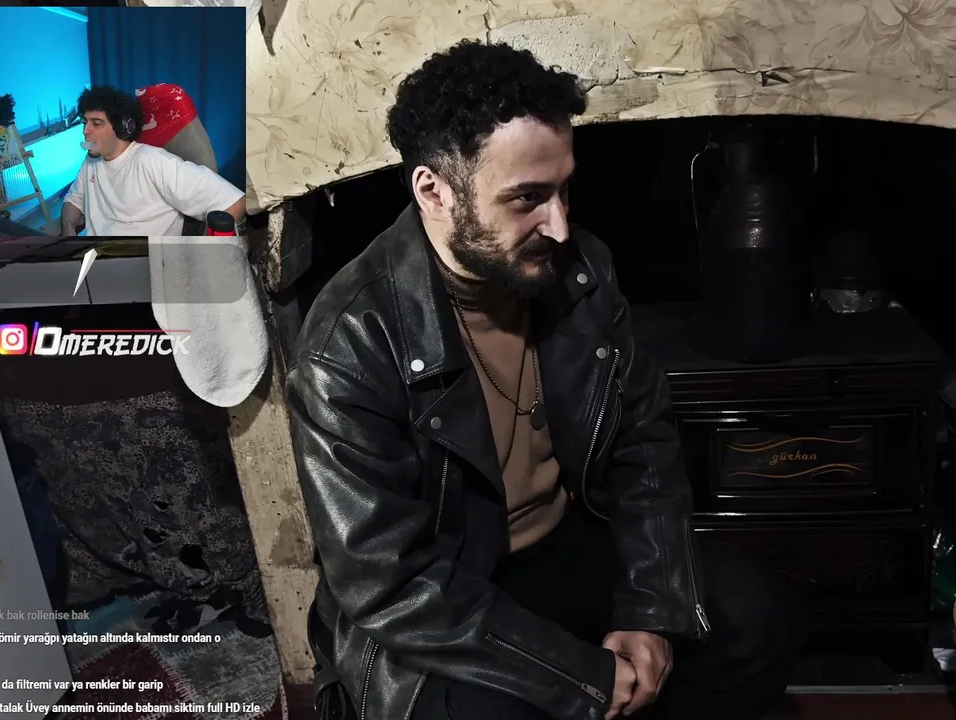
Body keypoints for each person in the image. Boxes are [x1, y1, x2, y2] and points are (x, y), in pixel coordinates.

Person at [287, 41, 808, 720]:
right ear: (434, 191)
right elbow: (388, 582)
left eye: (564, 190)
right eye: (528, 198)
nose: (559, 225)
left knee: (760, 619)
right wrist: (582, 676)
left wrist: (651, 611)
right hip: (448, 598)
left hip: (567, 543)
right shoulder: (348, 342)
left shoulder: (582, 270)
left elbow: (643, 446)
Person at [60, 86, 245, 236]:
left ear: (123, 127)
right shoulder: (90, 163)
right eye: (85, 122)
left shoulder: (152, 162)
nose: (85, 130)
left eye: (96, 123)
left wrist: (202, 256)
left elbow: (235, 202)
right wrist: (68, 230)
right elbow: (74, 201)